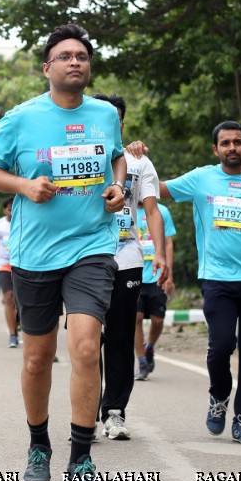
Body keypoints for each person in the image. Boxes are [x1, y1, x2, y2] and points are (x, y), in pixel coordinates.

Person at [0, 23, 125, 481]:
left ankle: (80, 458)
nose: (75, 62)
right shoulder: (20, 118)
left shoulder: (105, 114)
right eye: (65, 56)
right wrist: (24, 186)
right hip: (35, 253)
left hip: (92, 246)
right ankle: (38, 444)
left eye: (81, 55)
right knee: (38, 357)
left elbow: (116, 158)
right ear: (47, 68)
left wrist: (117, 187)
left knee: (85, 347)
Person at [132, 121, 241, 446]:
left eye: (238, 142)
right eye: (225, 143)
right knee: (221, 346)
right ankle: (219, 397)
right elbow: (157, 189)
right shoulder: (201, 178)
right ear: (216, 149)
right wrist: (135, 159)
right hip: (217, 281)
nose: (232, 148)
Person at [91, 94, 168, 442]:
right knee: (87, 339)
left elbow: (151, 210)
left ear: (121, 122)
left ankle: (115, 412)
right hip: (83, 259)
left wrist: (161, 254)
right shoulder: (75, 154)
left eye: (116, 119)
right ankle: (86, 412)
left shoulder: (139, 162)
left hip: (127, 258)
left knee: (121, 337)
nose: (111, 123)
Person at [135, 201, 176, 380]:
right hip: (134, 272)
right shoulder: (125, 209)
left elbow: (168, 243)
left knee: (157, 320)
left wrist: (169, 275)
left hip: (156, 275)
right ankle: (142, 361)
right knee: (135, 318)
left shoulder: (162, 211)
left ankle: (149, 346)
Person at [0, 198, 21, 347]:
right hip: (4, 266)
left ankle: (19, 322)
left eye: (14, 208)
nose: (12, 211)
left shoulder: (24, 221)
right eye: (9, 208)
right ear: (4, 210)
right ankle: (13, 335)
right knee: (9, 297)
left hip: (22, 265)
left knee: (21, 301)